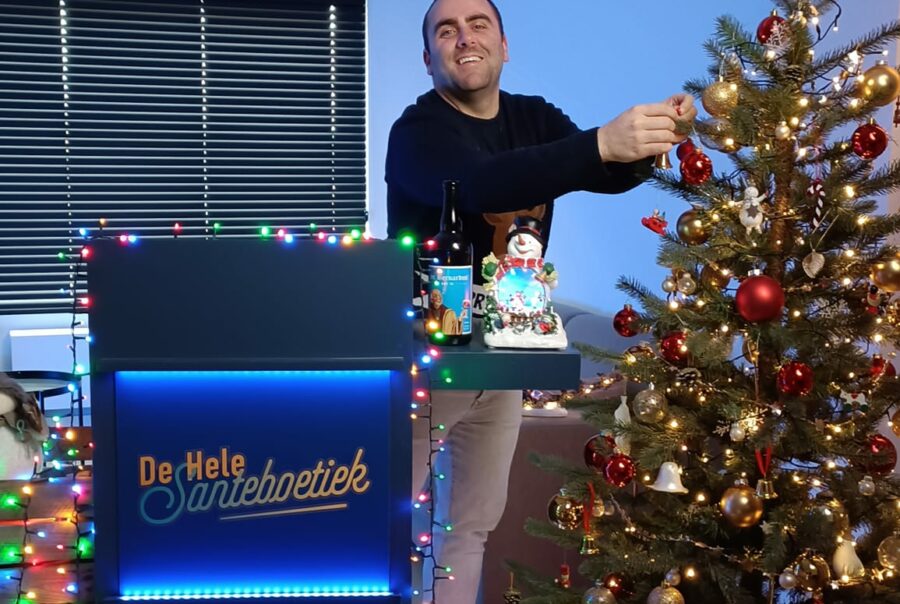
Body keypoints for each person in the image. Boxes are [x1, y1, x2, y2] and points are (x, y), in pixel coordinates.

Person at [385, 0, 697, 601]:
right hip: (429, 362)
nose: (464, 38)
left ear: (504, 46)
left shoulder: (533, 117)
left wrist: (652, 136)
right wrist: (600, 143)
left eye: (479, 24)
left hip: (504, 361)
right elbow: (479, 184)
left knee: (469, 526)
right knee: (386, 520)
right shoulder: (417, 132)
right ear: (428, 59)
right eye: (446, 30)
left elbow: (599, 168)